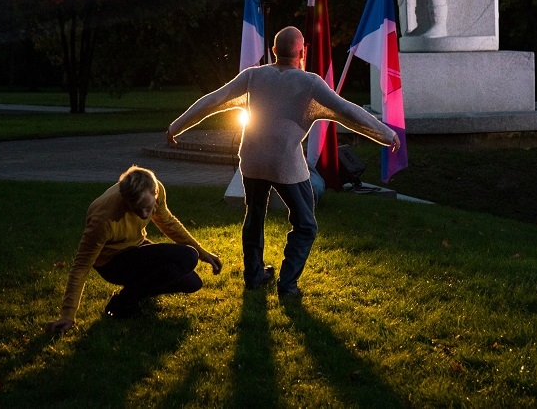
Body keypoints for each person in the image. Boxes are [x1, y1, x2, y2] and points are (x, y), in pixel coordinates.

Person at [166, 26, 400, 299]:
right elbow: (348, 110)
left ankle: (254, 277)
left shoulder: (253, 76)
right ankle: (287, 285)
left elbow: (213, 100)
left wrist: (176, 127)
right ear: (302, 52)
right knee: (306, 224)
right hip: (285, 163)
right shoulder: (310, 82)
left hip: (251, 160)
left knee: (254, 217)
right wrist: (387, 134)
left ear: (274, 51)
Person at [44, 165, 222, 333]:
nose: (144, 214)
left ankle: (136, 290)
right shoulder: (103, 218)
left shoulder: (156, 188)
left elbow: (168, 223)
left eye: (147, 208)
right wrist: (68, 315)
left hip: (136, 247)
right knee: (188, 256)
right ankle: (123, 303)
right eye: (136, 209)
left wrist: (204, 253)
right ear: (125, 200)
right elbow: (81, 267)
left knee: (192, 283)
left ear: (155, 193)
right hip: (112, 263)